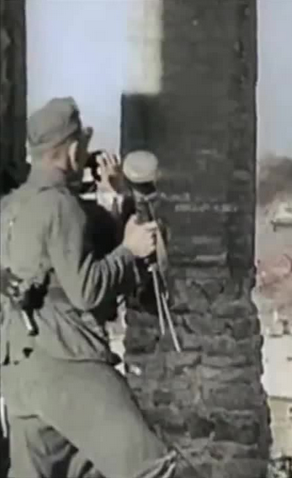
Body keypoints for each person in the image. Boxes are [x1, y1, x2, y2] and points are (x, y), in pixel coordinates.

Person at [0, 97, 178, 477]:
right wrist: (129, 250)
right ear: (74, 148)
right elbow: (87, 290)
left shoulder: (11, 206)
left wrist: (113, 197)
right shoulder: (62, 206)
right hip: (68, 363)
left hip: (19, 373)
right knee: (154, 469)